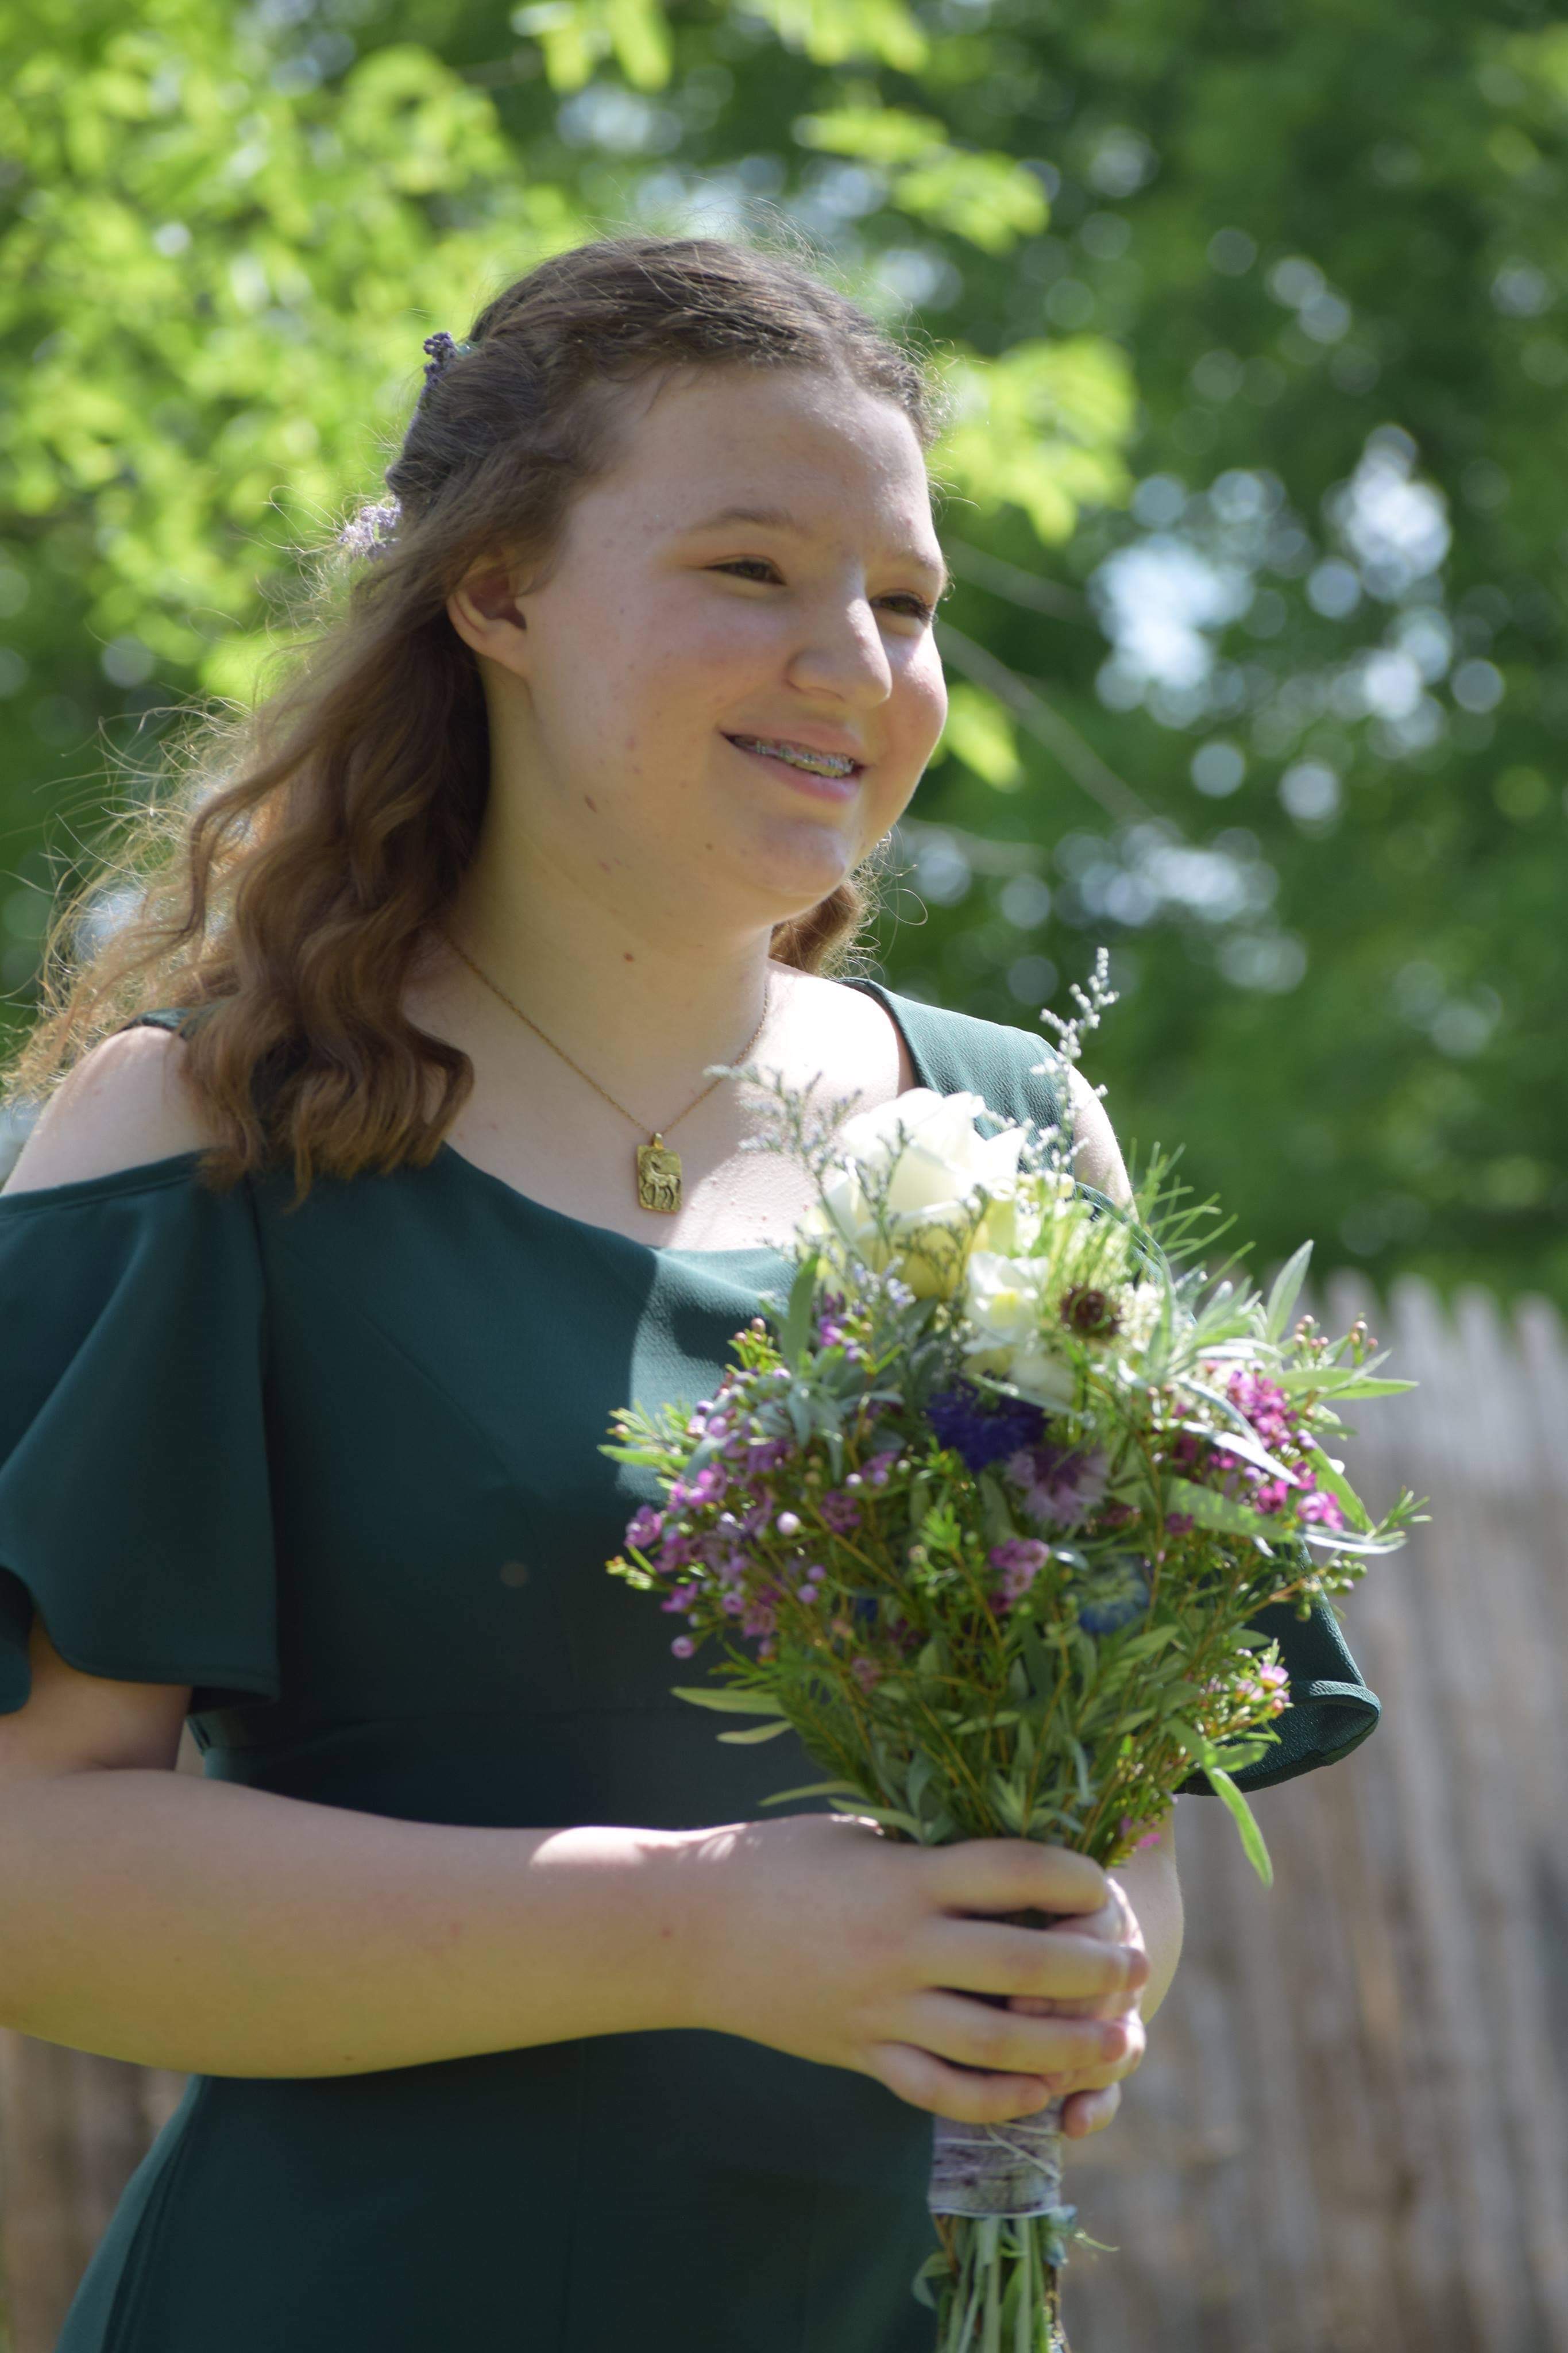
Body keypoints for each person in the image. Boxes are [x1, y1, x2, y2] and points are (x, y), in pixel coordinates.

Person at [0, 234, 1377, 2352]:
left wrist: (1071, 1969)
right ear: (496, 595)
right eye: (749, 569)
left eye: (904, 602)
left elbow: (1129, 1827)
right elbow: (31, 1870)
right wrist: (697, 1928)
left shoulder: (1024, 1139)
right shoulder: (198, 1134)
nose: (855, 663)